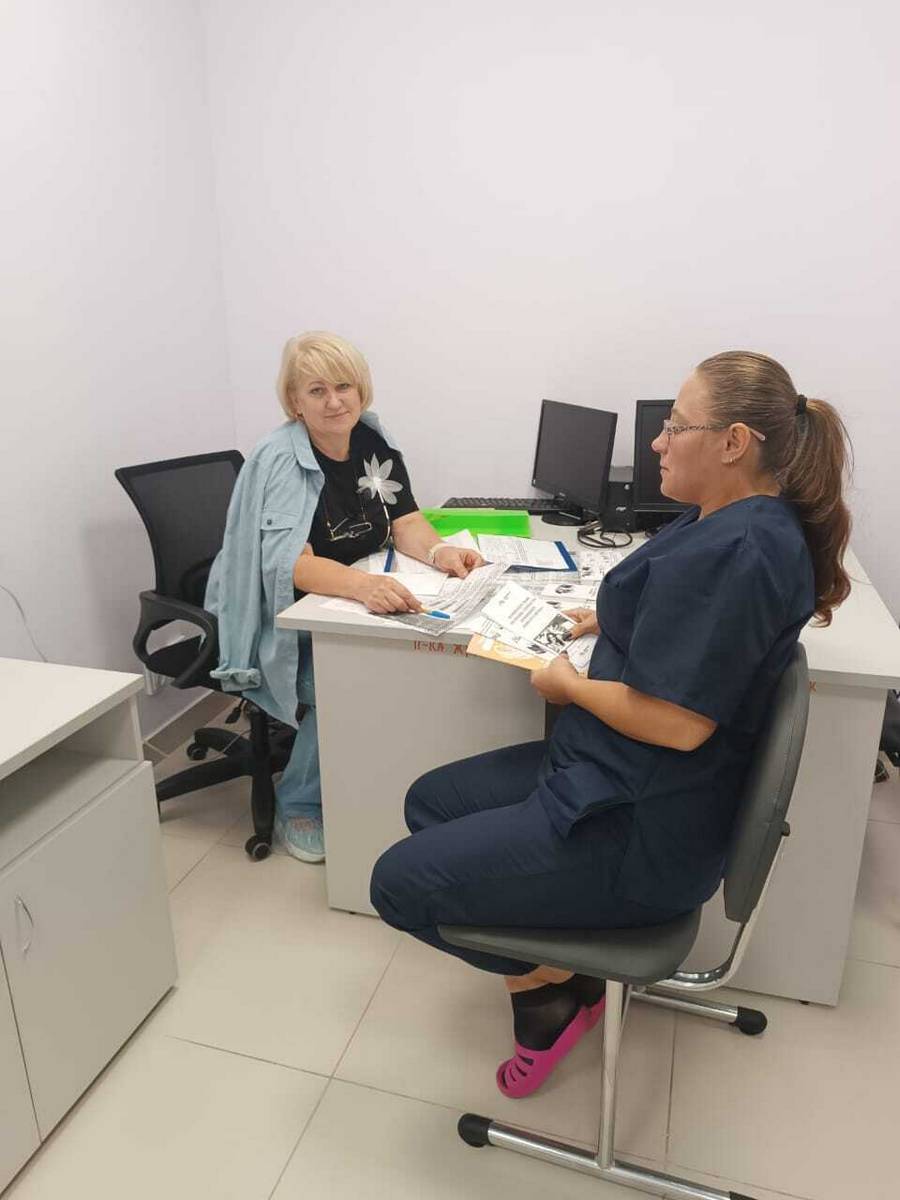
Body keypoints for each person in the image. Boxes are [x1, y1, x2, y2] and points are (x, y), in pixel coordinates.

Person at [370, 350, 852, 1098]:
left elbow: (680, 725)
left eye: (675, 428)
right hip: (608, 773)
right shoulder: (725, 518)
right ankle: (557, 977)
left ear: (733, 443)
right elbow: (683, 618)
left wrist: (568, 685)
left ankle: (552, 985)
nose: (656, 442)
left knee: (396, 885)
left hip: (637, 826)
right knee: (429, 802)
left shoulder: (741, 552)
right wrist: (611, 618)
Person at [205, 331, 483, 863]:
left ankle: (383, 774)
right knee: (341, 678)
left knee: (407, 662)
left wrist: (440, 551)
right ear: (295, 402)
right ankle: (299, 800)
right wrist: (364, 587)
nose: (334, 402)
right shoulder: (282, 461)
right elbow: (290, 564)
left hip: (342, 595)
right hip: (278, 611)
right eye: (317, 391)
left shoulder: (371, 440)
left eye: (344, 386)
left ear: (361, 390)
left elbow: (405, 520)